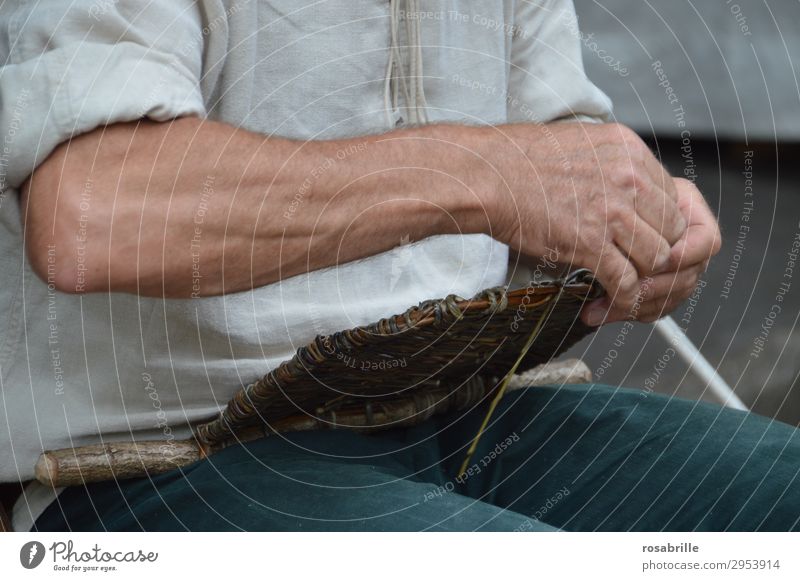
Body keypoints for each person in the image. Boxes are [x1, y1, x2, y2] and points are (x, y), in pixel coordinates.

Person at [0, 0, 797, 532]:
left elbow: (552, 148)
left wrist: (634, 226)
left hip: (470, 408)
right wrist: (485, 174)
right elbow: (92, 214)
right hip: (162, 459)